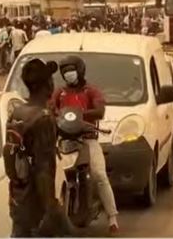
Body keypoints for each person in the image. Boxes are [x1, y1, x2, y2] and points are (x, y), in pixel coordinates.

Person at [51, 55, 119, 234]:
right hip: (64, 141)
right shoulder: (60, 92)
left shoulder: (91, 91)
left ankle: (112, 217)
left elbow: (100, 110)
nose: (68, 75)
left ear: (80, 71)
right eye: (65, 72)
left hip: (88, 139)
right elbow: (51, 109)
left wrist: (82, 114)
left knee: (99, 175)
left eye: (71, 71)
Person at [4, 59, 67, 237]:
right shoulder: (44, 118)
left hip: (18, 200)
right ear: (48, 85)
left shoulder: (17, 113)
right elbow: (43, 169)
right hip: (37, 207)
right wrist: (51, 209)